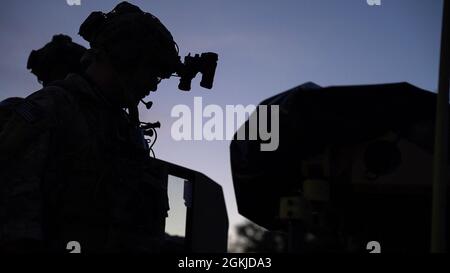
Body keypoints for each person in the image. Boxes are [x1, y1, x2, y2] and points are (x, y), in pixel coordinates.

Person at [0, 1, 181, 253]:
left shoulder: (121, 126)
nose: (154, 83)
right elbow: (14, 214)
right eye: (152, 71)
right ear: (124, 58)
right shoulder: (54, 108)